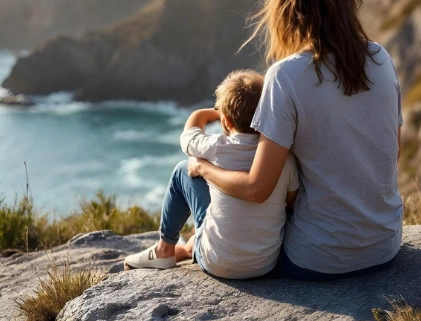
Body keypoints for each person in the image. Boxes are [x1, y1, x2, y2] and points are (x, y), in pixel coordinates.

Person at [188, 0, 404, 281]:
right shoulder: (380, 58)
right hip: (384, 245)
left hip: (317, 258)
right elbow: (390, 153)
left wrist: (203, 167)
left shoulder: (285, 76)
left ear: (287, 3)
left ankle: (189, 247)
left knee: (193, 178)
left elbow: (257, 189)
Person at [124, 70, 299, 279]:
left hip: (217, 263)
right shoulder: (283, 159)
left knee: (183, 170)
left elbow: (187, 137)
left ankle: (165, 249)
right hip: (265, 263)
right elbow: (292, 203)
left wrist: (215, 112)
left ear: (226, 121)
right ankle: (187, 247)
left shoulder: (215, 147)